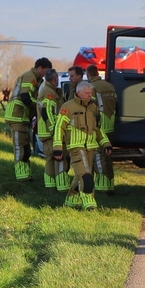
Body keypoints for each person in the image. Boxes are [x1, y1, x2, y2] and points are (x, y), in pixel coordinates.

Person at [53, 80, 112, 210]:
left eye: (90, 93)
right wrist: (57, 148)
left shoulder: (94, 107)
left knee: (80, 175)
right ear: (78, 92)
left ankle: (70, 203)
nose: (89, 95)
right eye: (86, 93)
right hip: (75, 147)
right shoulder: (67, 107)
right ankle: (89, 204)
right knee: (86, 176)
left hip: (91, 148)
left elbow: (98, 129)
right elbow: (59, 127)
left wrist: (106, 144)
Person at [4, 57, 53, 181]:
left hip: (23, 117)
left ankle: (25, 174)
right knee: (20, 147)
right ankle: (21, 176)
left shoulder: (38, 79)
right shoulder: (29, 76)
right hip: (17, 116)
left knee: (26, 148)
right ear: (39, 68)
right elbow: (26, 97)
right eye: (46, 71)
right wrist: (40, 106)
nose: (46, 74)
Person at [36, 69, 70, 190]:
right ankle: (62, 185)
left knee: (50, 158)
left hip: (46, 131)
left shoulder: (49, 90)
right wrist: (54, 130)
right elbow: (47, 112)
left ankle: (50, 185)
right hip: (51, 132)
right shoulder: (48, 92)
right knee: (60, 157)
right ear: (55, 79)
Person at [86, 64, 117, 194]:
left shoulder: (92, 88)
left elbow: (90, 107)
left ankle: (102, 186)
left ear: (88, 74)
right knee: (108, 156)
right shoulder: (110, 86)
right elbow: (116, 104)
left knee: (99, 156)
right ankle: (109, 184)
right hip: (110, 125)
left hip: (99, 126)